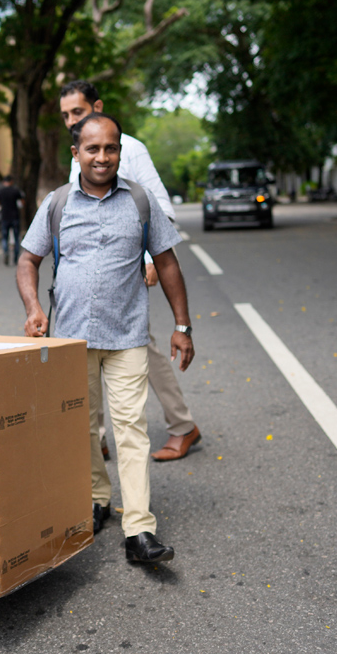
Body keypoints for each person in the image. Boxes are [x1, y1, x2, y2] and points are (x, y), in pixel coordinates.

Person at [17, 111, 193, 563]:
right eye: (92, 148)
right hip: (71, 338)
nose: (102, 156)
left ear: (120, 151)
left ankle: (139, 530)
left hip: (127, 336)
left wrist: (182, 326)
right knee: (81, 428)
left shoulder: (140, 201)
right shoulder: (57, 203)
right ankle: (98, 498)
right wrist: (34, 308)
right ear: (75, 153)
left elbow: (167, 262)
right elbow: (27, 261)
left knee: (131, 428)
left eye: (110, 148)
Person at [59, 80, 202, 461]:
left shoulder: (129, 149)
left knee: (140, 347)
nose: (71, 119)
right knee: (97, 349)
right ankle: (104, 435)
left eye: (78, 111)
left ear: (98, 106)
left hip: (129, 271)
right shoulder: (80, 151)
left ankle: (182, 426)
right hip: (91, 280)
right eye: (66, 115)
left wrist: (149, 259)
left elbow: (160, 206)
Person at [0, 175, 24, 265]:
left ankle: (6, 252)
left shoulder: (0, 192)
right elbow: (22, 203)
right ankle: (15, 256)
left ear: (4, 182)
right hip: (15, 217)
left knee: (4, 238)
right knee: (16, 237)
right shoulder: (16, 191)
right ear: (11, 181)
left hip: (4, 217)